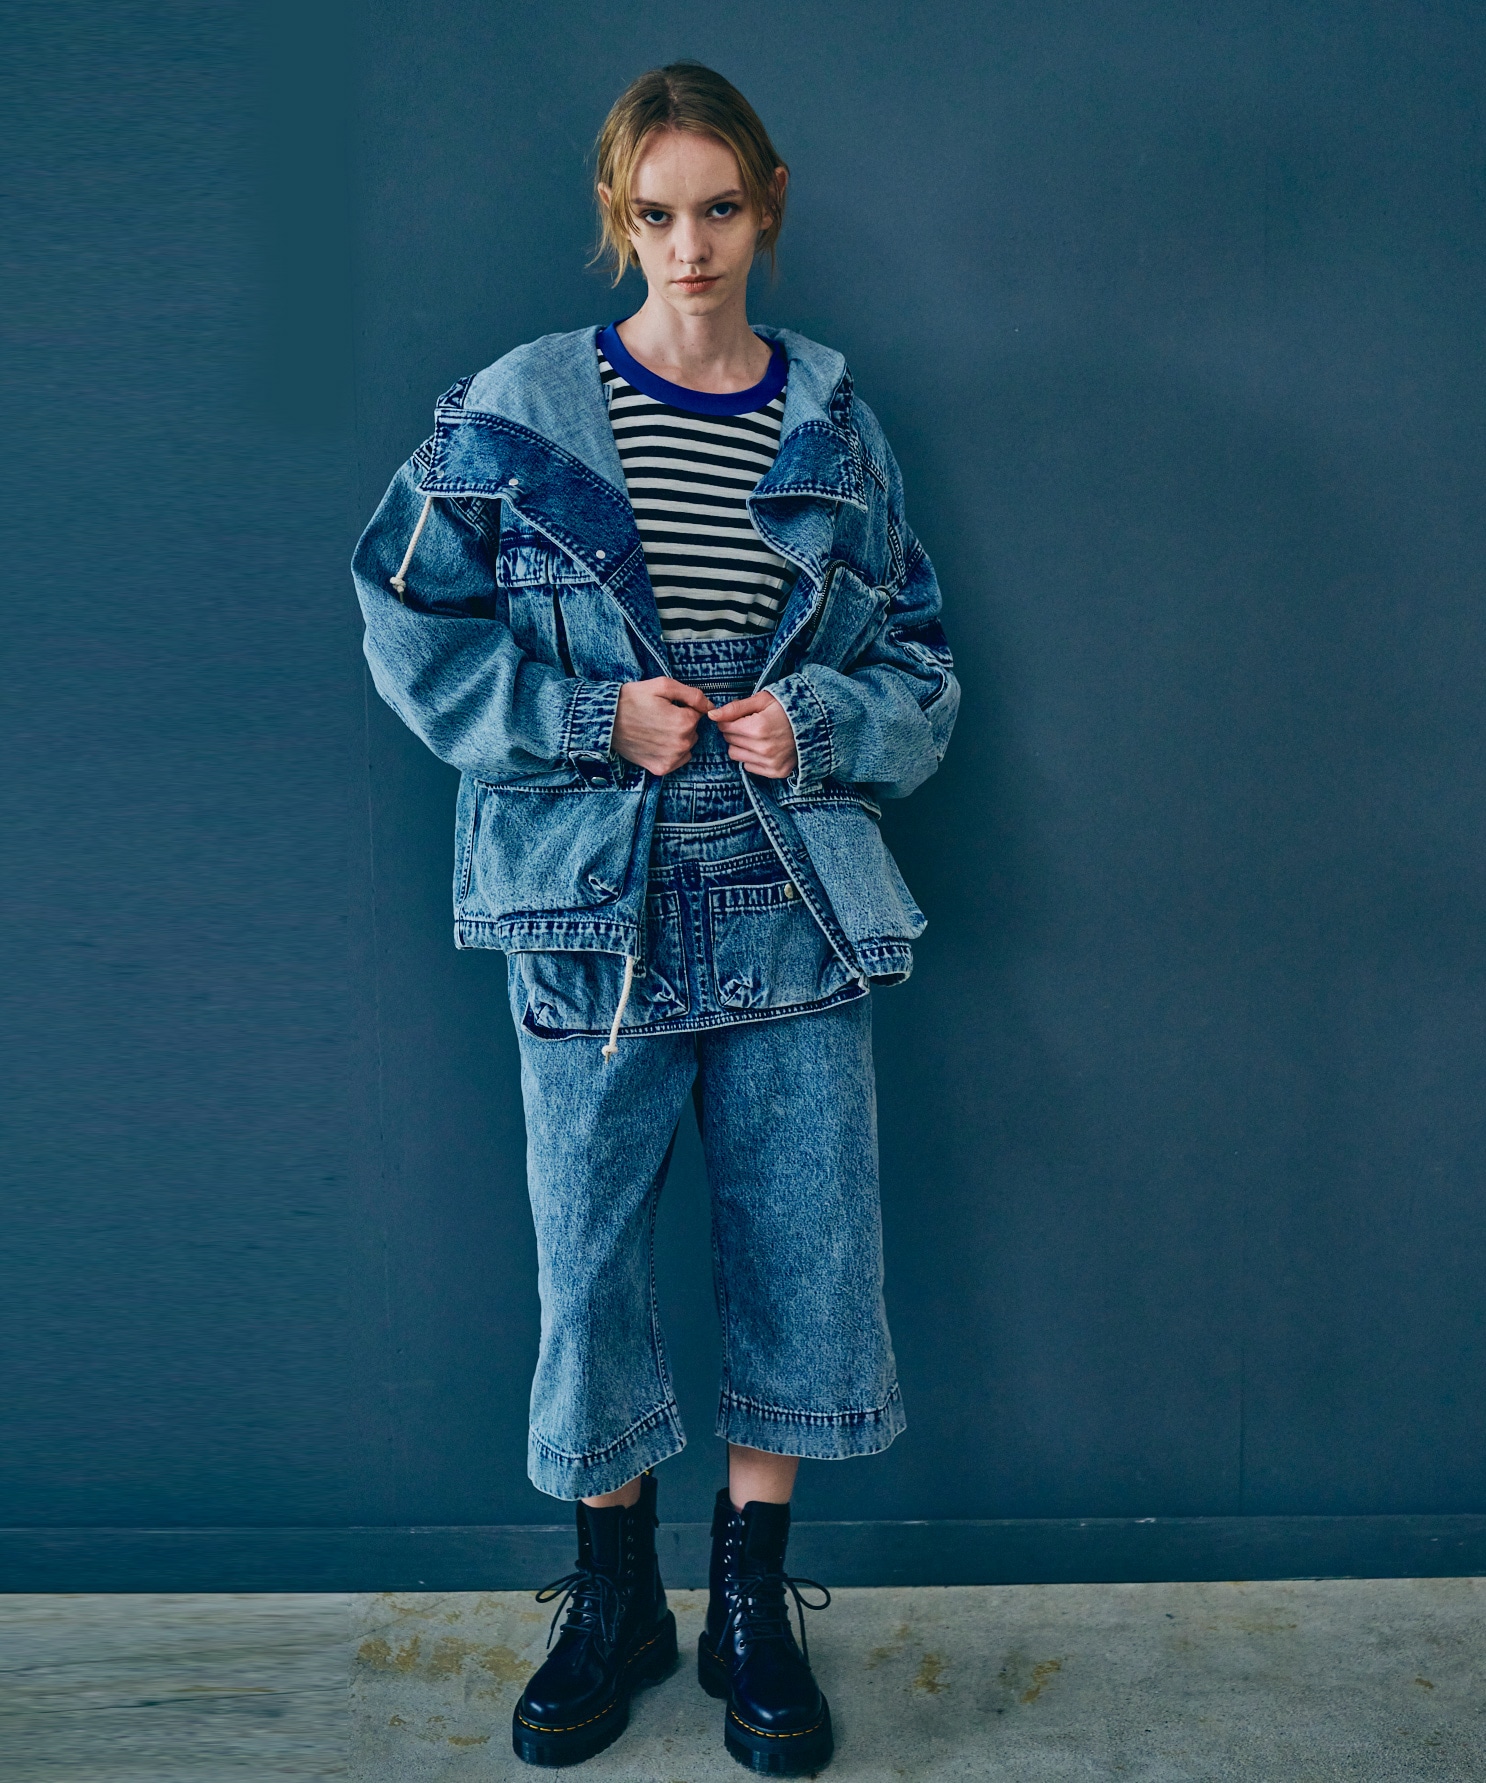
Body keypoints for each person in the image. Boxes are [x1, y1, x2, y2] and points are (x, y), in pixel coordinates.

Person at [352, 61, 958, 1775]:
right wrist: (579, 716)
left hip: (790, 898)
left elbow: (918, 662)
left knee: (804, 1255)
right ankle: (613, 1597)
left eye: (717, 209)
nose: (686, 247)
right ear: (617, 217)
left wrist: (820, 723)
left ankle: (750, 1602)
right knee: (590, 1264)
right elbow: (405, 617)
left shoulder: (832, 426)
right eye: (652, 213)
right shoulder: (515, 412)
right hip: (587, 909)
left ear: (768, 206)